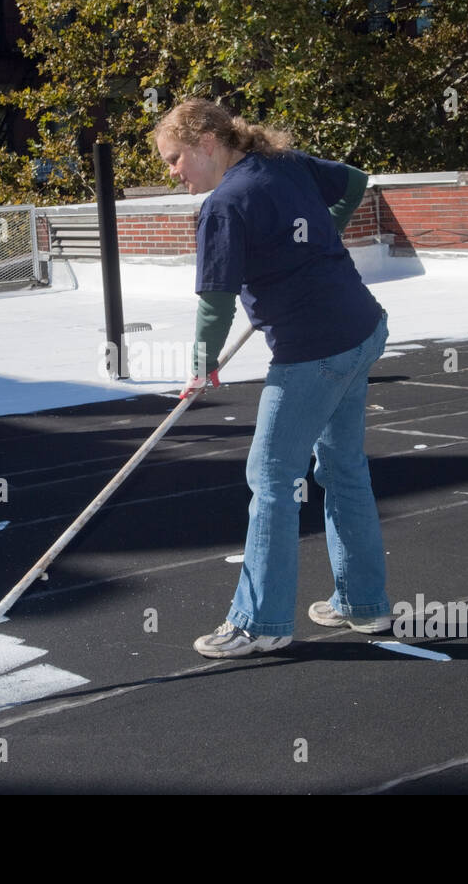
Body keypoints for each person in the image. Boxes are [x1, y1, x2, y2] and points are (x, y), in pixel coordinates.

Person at [152, 98, 390, 659]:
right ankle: (363, 603)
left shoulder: (225, 205)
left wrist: (201, 365)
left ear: (206, 144)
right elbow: (354, 182)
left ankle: (260, 622)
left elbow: (214, 303)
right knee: (343, 469)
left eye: (173, 159)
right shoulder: (285, 164)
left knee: (272, 480)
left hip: (316, 352)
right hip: (363, 330)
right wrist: (311, 246)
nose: (172, 172)